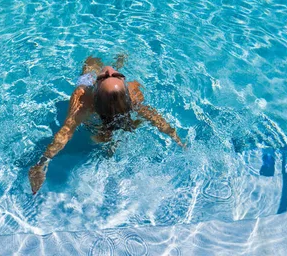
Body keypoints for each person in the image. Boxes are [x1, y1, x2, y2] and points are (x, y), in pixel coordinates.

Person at [29, 54, 185, 194]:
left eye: (103, 77)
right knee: (114, 126)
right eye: (114, 74)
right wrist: (176, 137)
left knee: (91, 61)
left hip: (95, 113)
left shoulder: (82, 97)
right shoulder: (132, 91)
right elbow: (155, 118)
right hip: (109, 110)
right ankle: (119, 63)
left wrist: (41, 163)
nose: (108, 70)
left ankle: (114, 65)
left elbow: (67, 131)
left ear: (95, 88)